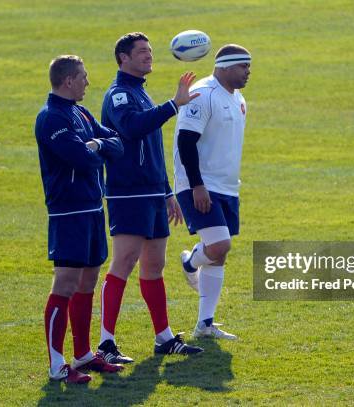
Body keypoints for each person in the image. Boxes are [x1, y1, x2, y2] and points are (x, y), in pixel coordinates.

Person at [97, 32, 203, 363]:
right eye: (142, 52)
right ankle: (106, 344)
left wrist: (167, 191)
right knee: (124, 262)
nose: (149, 55)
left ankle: (164, 338)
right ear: (123, 59)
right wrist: (173, 105)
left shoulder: (140, 94)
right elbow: (131, 128)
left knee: (154, 265)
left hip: (153, 193)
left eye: (150, 51)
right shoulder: (118, 96)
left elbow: (153, 149)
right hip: (128, 194)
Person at [35, 55, 125, 383]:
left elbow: (117, 144)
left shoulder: (81, 112)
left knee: (87, 282)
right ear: (68, 80)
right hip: (68, 212)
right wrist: (96, 149)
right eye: (83, 77)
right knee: (66, 284)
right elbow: (81, 159)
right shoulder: (51, 119)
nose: (88, 82)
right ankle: (57, 365)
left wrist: (97, 142)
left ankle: (84, 353)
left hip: (91, 209)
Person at [173, 44, 251, 340]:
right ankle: (189, 262)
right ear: (226, 66)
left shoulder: (238, 98)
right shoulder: (203, 93)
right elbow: (186, 141)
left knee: (219, 255)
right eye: (243, 67)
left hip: (227, 186)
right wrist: (197, 185)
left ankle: (205, 324)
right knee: (219, 246)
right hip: (200, 185)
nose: (248, 73)